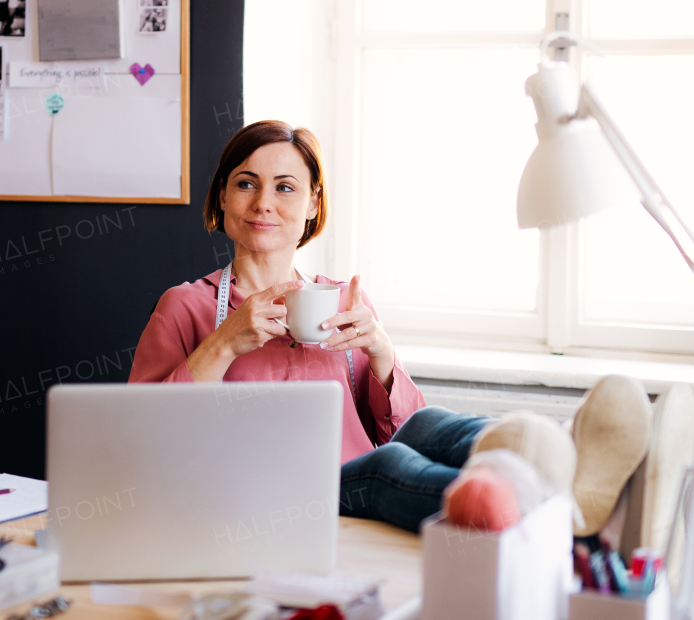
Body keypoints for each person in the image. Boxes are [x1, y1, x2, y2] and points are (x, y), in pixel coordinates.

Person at [129, 120, 494, 530]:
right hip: (265, 499)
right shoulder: (186, 306)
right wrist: (224, 343)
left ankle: (546, 454)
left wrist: (382, 354)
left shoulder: (343, 304)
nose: (263, 202)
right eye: (246, 184)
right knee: (388, 465)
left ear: (313, 204)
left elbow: (400, 432)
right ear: (223, 197)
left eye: (285, 187)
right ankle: (512, 500)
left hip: (355, 483)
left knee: (429, 424)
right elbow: (144, 443)